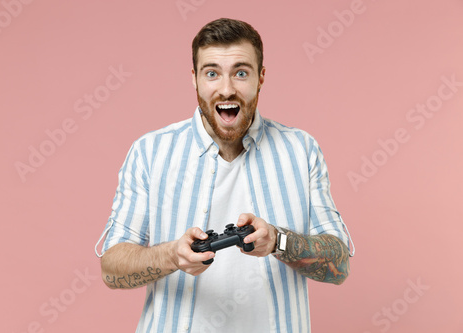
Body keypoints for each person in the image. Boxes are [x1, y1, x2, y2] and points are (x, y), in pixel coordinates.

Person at [95, 18, 355, 333]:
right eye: (212, 73)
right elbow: (111, 269)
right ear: (194, 79)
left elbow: (339, 265)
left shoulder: (301, 150)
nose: (227, 88)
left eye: (241, 73)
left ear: (261, 78)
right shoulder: (149, 153)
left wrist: (278, 241)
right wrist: (172, 255)